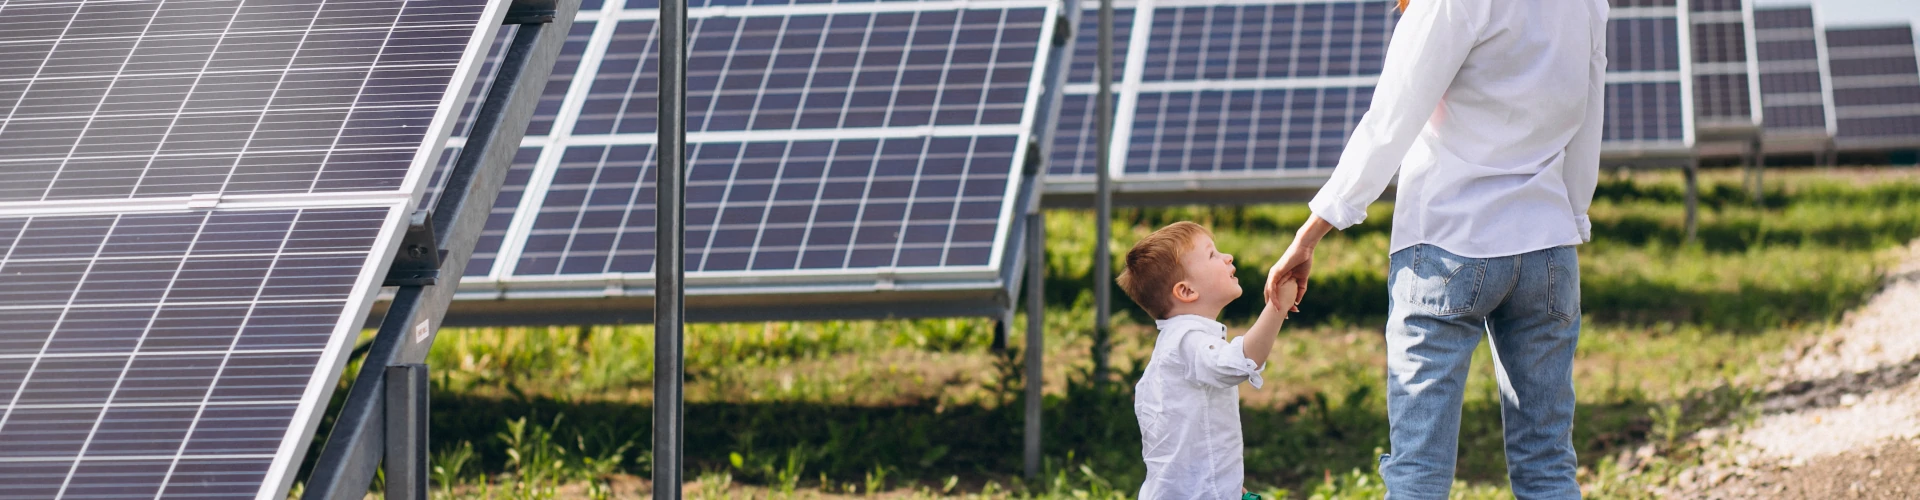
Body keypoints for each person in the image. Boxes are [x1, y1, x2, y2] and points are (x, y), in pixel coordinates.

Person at [1264, 0, 1607, 497]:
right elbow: (1588, 108)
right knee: (1549, 463)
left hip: (1449, 243)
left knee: (1419, 469)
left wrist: (1312, 231)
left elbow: (1392, 117)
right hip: (1548, 247)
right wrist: (1571, 212)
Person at [1119, 221, 1296, 499]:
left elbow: (1186, 437)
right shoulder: (1188, 340)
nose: (1228, 257)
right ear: (1186, 291)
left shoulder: (1176, 344)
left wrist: (1226, 484)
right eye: (1212, 255)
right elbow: (1241, 362)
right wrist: (1277, 307)